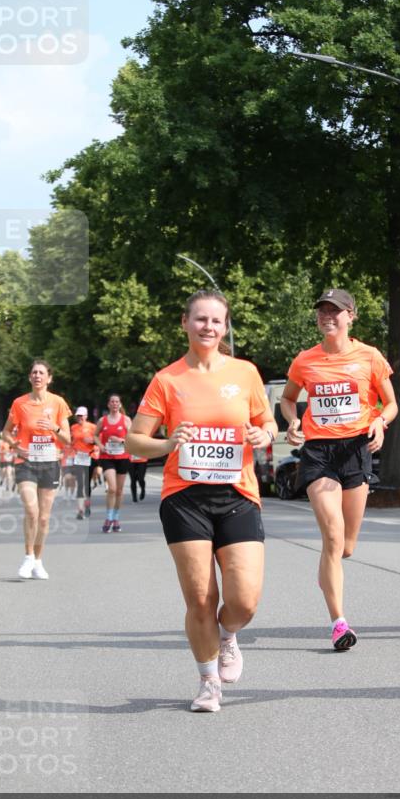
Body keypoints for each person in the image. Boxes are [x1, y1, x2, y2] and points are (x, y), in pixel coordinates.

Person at [127, 288, 277, 713]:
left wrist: (263, 434)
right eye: (200, 319)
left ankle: (229, 635)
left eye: (216, 320)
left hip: (238, 495)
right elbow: (135, 441)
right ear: (185, 323)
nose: (208, 327)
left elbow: (268, 422)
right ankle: (208, 682)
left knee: (244, 600)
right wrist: (168, 442)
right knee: (200, 599)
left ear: (225, 326)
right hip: (184, 498)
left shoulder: (245, 373)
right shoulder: (167, 380)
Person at [281, 288, 398, 651]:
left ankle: (328, 570)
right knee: (332, 537)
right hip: (318, 453)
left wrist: (379, 422)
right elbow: (288, 398)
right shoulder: (305, 360)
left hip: (355, 451)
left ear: (351, 316)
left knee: (345, 547)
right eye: (322, 311)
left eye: (335, 311)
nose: (327, 316)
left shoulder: (370, 356)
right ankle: (339, 622)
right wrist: (292, 421)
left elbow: (391, 403)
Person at [1, 359, 71, 579]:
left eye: (41, 373)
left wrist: (54, 427)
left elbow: (67, 439)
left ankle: (38, 561)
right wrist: (15, 447)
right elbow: (6, 432)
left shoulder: (58, 403)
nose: (37, 376)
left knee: (43, 517)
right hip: (27, 463)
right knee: (32, 510)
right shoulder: (20, 403)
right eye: (34, 373)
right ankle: (28, 556)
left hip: (50, 463)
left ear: (49, 378)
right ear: (30, 377)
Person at [95, 394, 132, 533]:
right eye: (112, 401)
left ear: (120, 404)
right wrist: (100, 445)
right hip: (107, 457)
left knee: (120, 491)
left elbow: (133, 438)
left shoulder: (126, 420)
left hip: (123, 457)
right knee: (112, 488)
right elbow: (95, 435)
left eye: (117, 401)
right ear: (108, 404)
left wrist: (120, 440)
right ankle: (109, 517)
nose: (115, 404)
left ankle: (116, 518)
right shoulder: (102, 420)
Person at [71, 406, 97, 519]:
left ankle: (87, 505)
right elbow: (71, 440)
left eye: (82, 415)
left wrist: (92, 441)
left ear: (86, 416)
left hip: (90, 457)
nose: (80, 417)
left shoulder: (93, 427)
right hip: (78, 458)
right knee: (80, 484)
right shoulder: (73, 427)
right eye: (78, 415)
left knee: (87, 484)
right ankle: (80, 510)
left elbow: (99, 440)